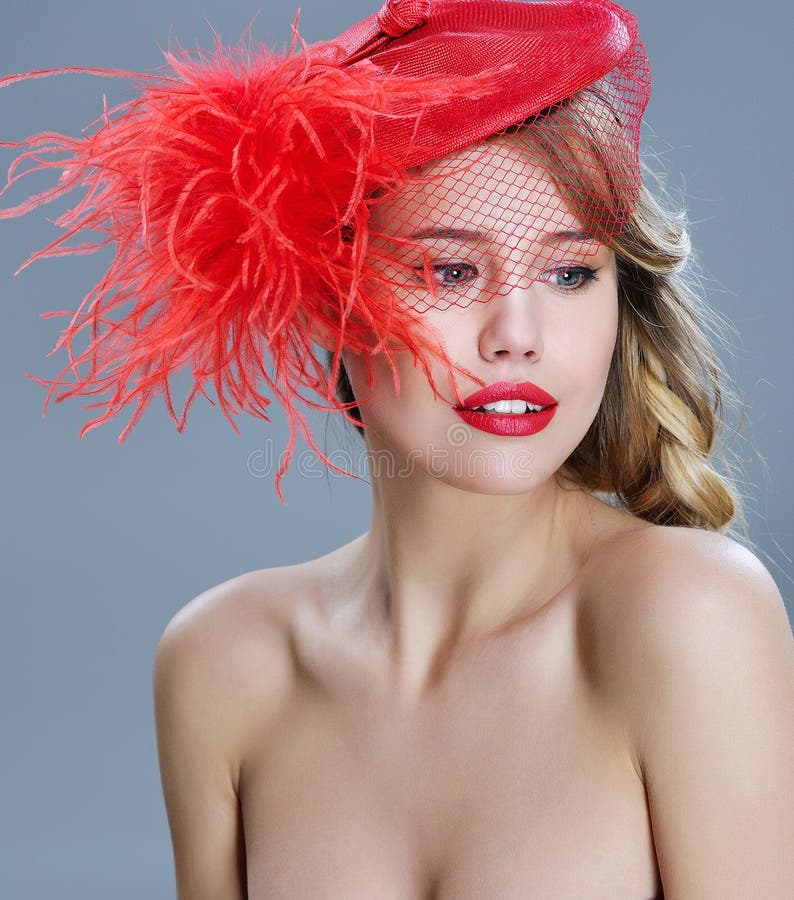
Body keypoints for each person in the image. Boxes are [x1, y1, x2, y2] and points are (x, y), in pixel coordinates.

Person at [2, 1, 793, 897]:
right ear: (326, 300)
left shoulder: (688, 616)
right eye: (449, 271)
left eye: (571, 272)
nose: (518, 335)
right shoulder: (223, 663)